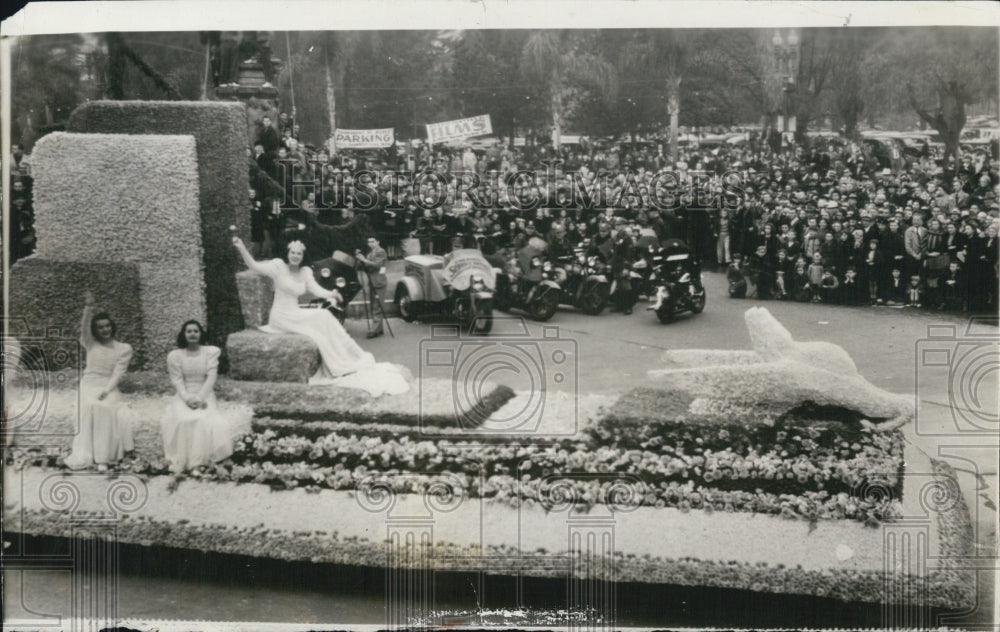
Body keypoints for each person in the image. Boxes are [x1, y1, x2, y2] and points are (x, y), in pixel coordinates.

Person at [232, 236, 409, 395]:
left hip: (295, 312)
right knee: (318, 328)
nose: (295, 256)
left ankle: (351, 357)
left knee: (324, 315)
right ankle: (339, 364)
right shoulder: (278, 267)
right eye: (293, 253)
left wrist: (331, 294)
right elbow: (254, 266)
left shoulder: (304, 272)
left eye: (299, 254)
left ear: (303, 256)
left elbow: (316, 289)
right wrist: (241, 247)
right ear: (287, 253)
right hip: (281, 317)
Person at [64, 292, 134, 472]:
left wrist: (108, 390)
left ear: (112, 327)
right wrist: (89, 307)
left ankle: (104, 457)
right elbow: (84, 327)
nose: (105, 329)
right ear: (95, 330)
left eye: (108, 326)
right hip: (88, 385)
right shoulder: (90, 343)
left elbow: (119, 372)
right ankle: (86, 454)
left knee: (104, 408)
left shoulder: (123, 349)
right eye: (101, 327)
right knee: (88, 407)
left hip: (108, 386)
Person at [161, 321, 234, 474]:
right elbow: (177, 380)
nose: (192, 334)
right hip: (184, 394)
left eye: (196, 331)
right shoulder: (175, 356)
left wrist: (200, 398)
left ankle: (198, 463)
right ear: (184, 334)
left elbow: (211, 377)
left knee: (201, 419)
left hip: (205, 394)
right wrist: (187, 398)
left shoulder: (210, 352)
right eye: (189, 331)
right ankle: (183, 461)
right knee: (182, 419)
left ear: (201, 334)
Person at [355, 235, 388, 339]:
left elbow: (377, 265)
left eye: (373, 241)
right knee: (373, 304)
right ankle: (379, 328)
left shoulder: (381, 251)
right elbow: (366, 267)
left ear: (378, 242)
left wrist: (363, 260)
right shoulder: (369, 254)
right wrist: (359, 259)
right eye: (369, 242)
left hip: (379, 282)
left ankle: (374, 330)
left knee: (377, 306)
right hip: (372, 282)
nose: (370, 244)